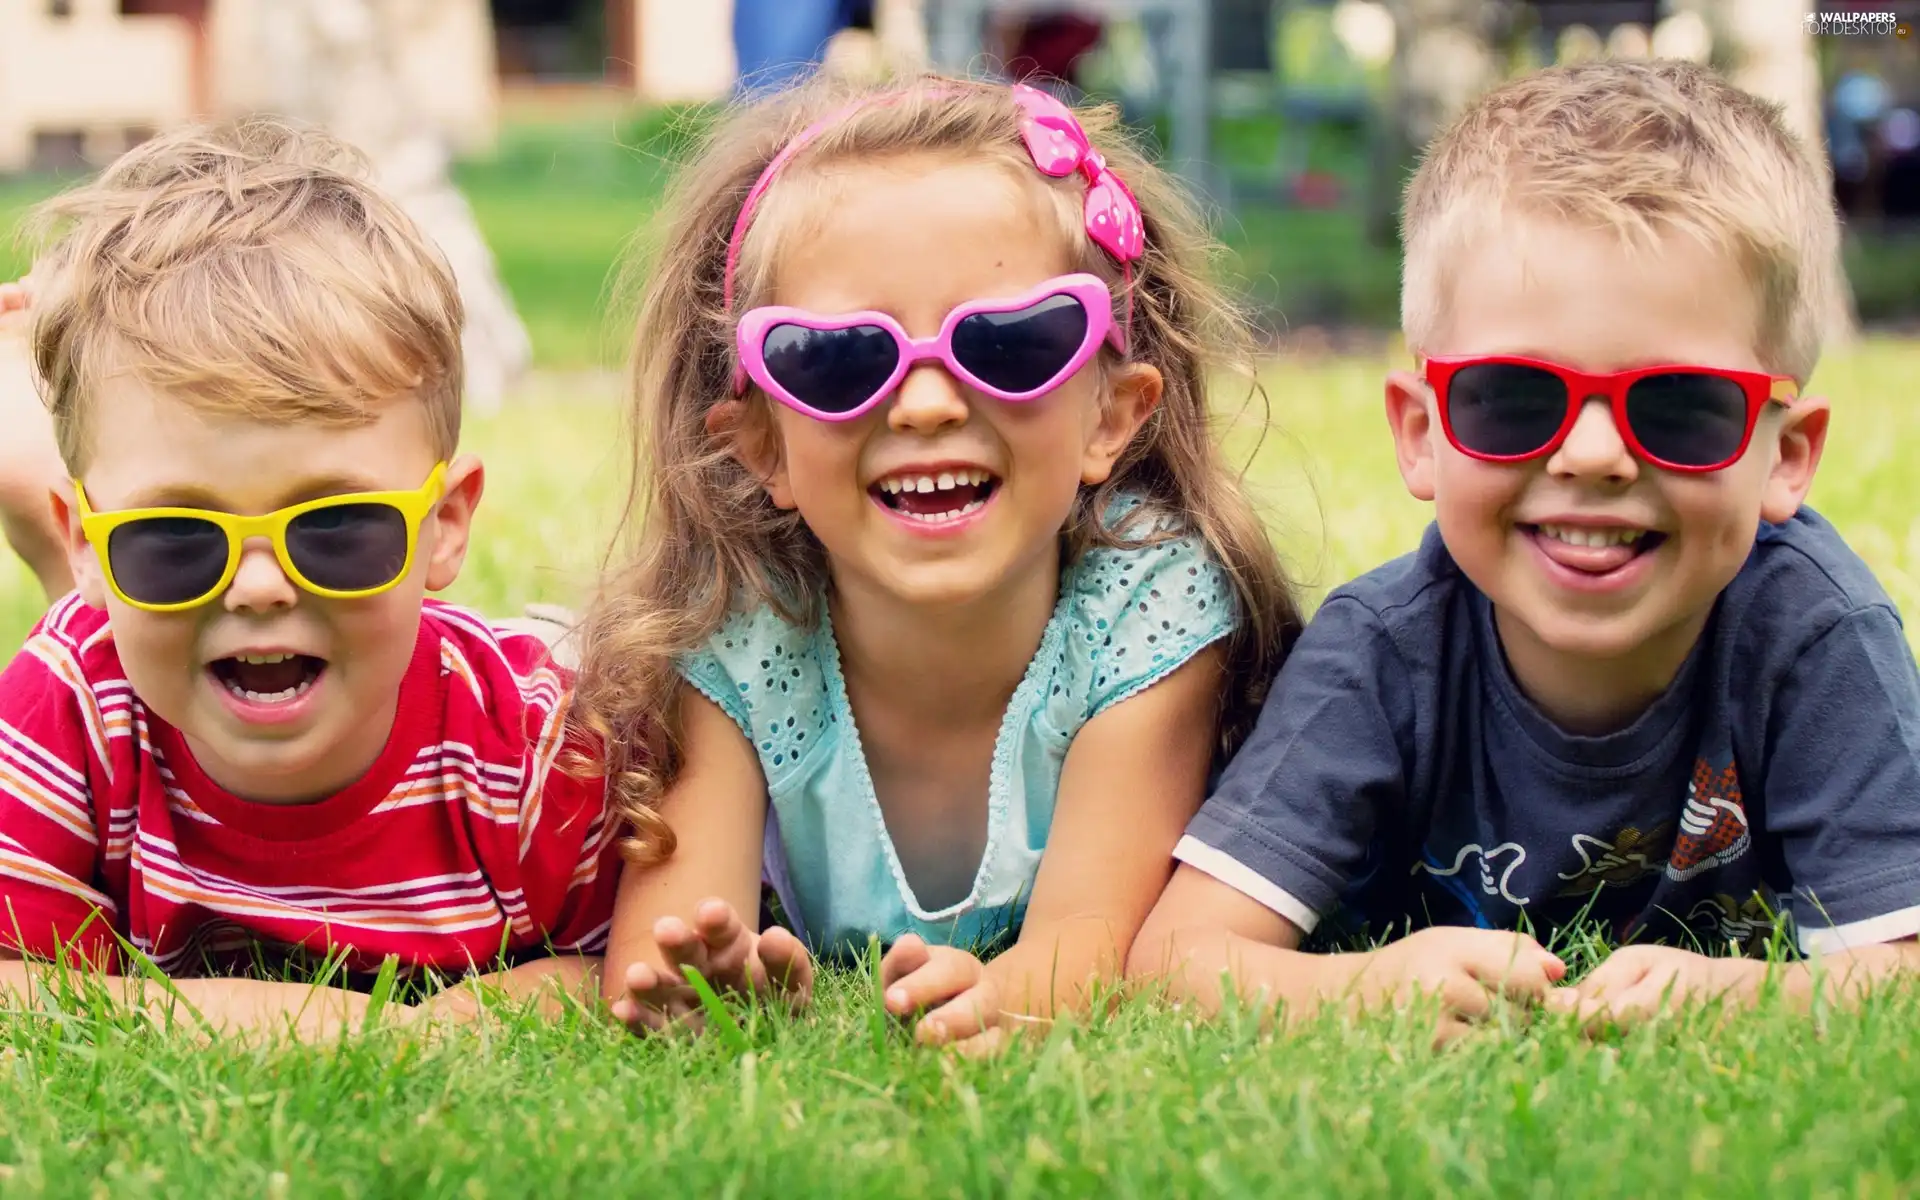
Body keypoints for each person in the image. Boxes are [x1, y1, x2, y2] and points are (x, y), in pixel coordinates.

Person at [1128, 60, 1920, 1043]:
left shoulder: (1814, 636)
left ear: (1786, 457)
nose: (1592, 457)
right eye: (1514, 398)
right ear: (1420, 432)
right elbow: (1176, 959)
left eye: (1680, 407)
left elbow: (1903, 977)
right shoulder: (1380, 653)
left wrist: (1742, 1000)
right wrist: (1367, 989)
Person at [577, 75, 1301, 1052]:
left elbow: (1083, 953)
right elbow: (662, 952)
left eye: (1009, 344)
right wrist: (706, 984)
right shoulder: (734, 633)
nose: (924, 405)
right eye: (839, 360)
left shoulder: (1151, 611)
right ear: (761, 446)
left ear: (1112, 415)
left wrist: (1004, 997)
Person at [0, 119, 619, 1040]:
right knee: (109, 638)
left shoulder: (537, 753)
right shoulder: (68, 710)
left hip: (519, 665)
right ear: (90, 544)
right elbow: (22, 983)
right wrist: (313, 1019)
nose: (258, 588)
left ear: (444, 524)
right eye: (175, 537)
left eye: (335, 529)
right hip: (109, 641)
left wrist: (461, 1021)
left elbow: (621, 970)